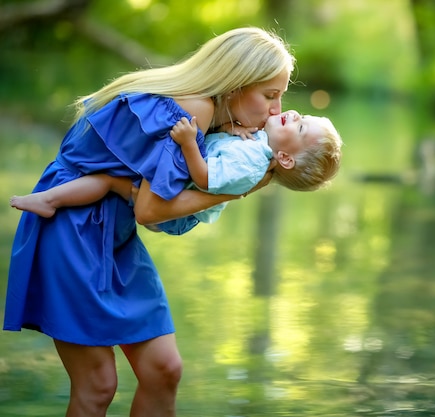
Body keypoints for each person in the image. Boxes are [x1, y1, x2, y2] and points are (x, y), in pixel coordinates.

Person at [3, 27, 295, 417]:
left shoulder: (211, 117)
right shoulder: (196, 108)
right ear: (234, 84)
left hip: (113, 229)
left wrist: (229, 134)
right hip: (72, 225)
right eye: (270, 96)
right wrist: (237, 190)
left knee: (163, 370)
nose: (276, 110)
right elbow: (151, 212)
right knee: (98, 384)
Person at [9, 110, 343, 234]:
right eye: (304, 116)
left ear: (284, 159)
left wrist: (187, 143)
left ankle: (49, 201)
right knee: (112, 179)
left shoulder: (253, 162)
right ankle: (52, 199)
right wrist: (231, 126)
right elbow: (220, 146)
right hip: (181, 191)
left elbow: (205, 178)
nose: (294, 113)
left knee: (112, 181)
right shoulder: (256, 143)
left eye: (300, 128)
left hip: (176, 213)